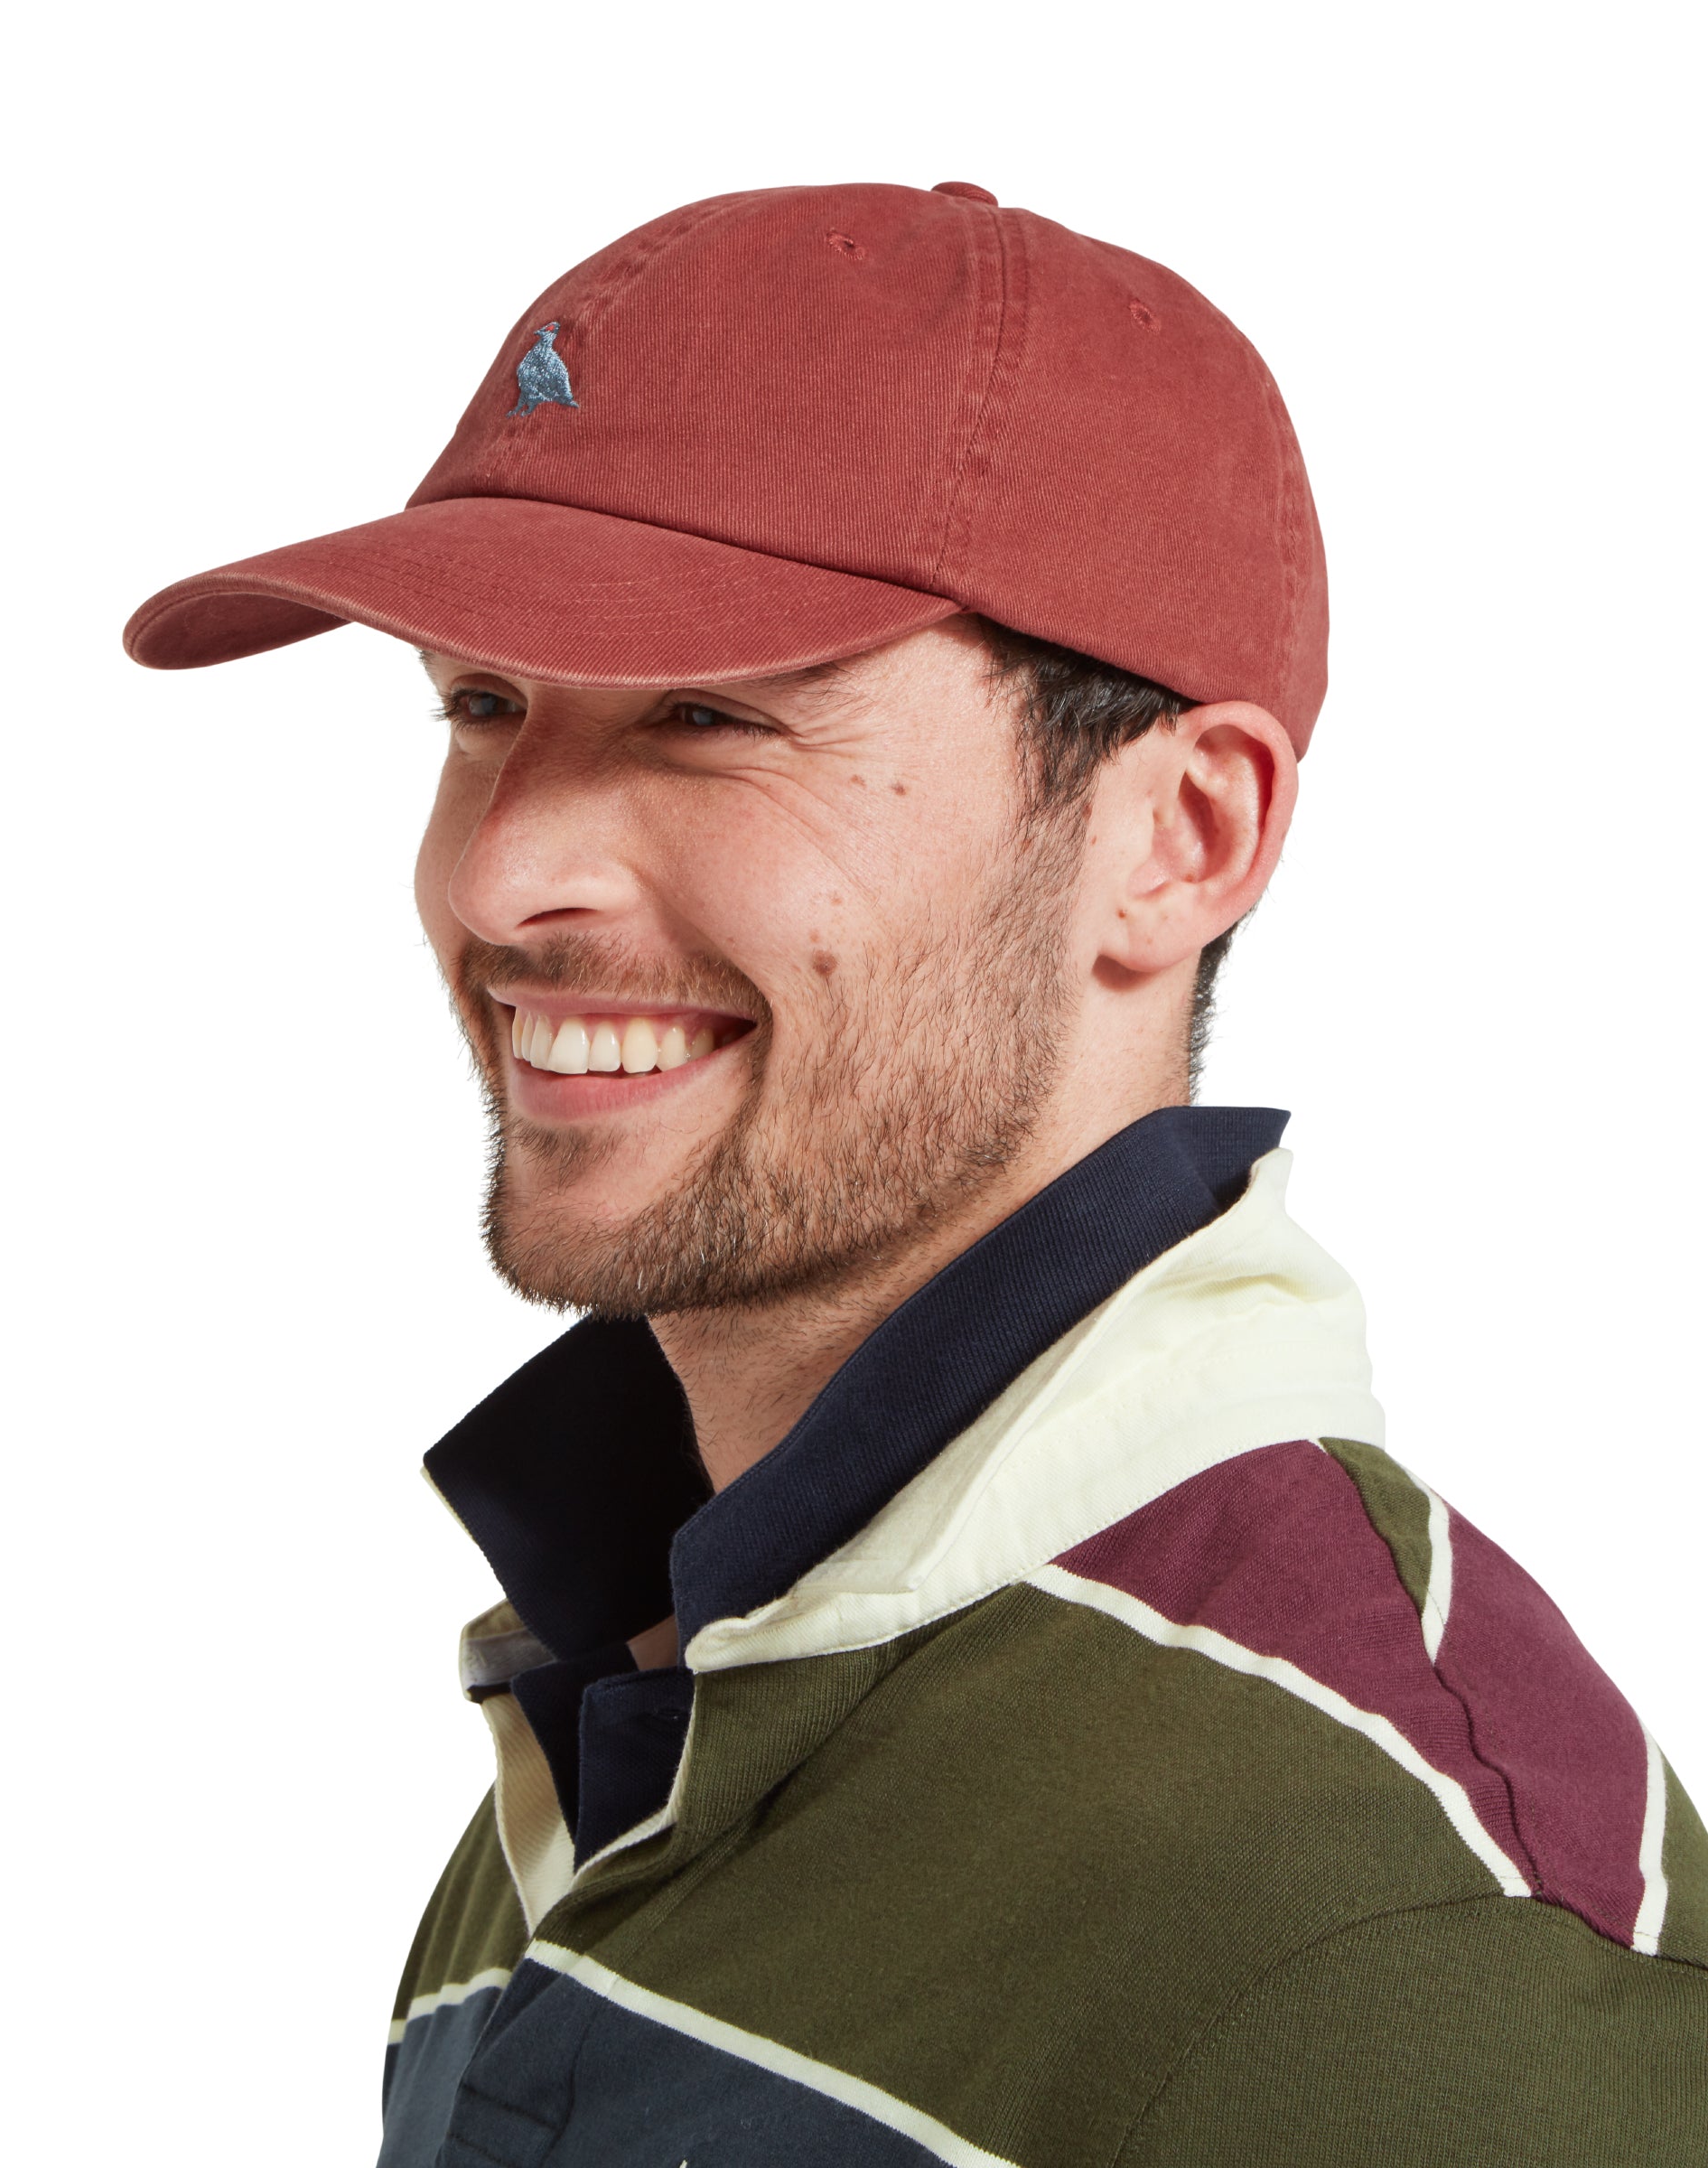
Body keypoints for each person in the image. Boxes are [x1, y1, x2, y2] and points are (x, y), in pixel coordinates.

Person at [124, 182, 1706, 2165]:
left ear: (1178, 838)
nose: (501, 875)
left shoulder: (1393, 1946)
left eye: (710, 716)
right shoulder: (655, 1681)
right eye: (481, 707)